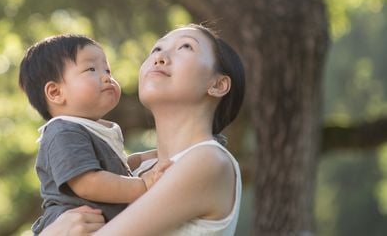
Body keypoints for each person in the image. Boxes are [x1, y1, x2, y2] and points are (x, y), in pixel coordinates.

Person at [40, 24, 245, 236]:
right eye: (155, 50)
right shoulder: (136, 173)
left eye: (185, 47)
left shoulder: (209, 161)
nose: (160, 57)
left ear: (218, 84)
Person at [18, 34, 163, 235]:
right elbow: (88, 183)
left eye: (107, 70)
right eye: (91, 69)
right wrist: (142, 185)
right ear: (55, 92)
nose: (106, 77)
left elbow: (109, 171)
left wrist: (145, 158)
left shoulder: (90, 128)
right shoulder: (63, 130)